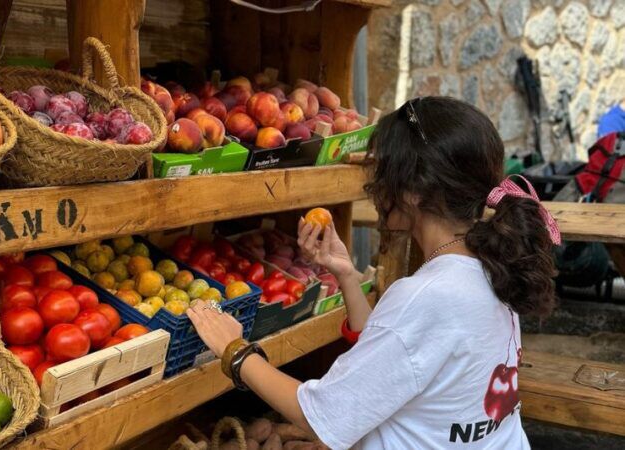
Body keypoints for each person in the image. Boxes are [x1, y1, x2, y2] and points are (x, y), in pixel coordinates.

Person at [187, 96, 561, 450]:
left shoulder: (428, 295)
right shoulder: (491, 263)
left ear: (413, 191)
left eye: (385, 171)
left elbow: (322, 417)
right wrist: (347, 275)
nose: (377, 186)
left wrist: (235, 351)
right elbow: (399, 361)